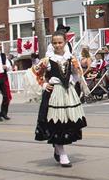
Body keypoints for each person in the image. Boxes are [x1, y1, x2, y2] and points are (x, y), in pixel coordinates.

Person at [33, 30, 88, 168]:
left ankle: (58, 148)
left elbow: (78, 74)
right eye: (54, 43)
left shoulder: (71, 58)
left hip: (68, 93)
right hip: (53, 93)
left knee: (67, 122)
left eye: (60, 42)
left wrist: (74, 83)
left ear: (65, 43)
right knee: (56, 123)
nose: (57, 45)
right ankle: (62, 153)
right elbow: (36, 73)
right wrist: (45, 84)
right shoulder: (47, 60)